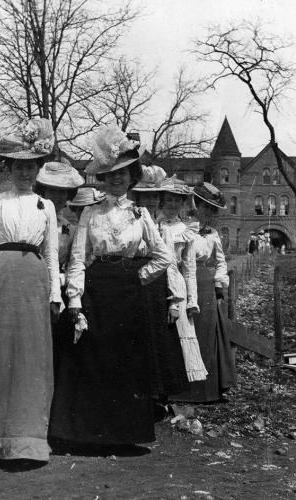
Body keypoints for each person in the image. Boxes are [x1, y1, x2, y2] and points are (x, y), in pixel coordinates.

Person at [50, 125, 174, 450]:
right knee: (94, 359)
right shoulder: (90, 212)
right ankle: (91, 436)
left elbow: (164, 256)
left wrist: (141, 276)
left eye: (123, 173)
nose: (116, 179)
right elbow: (77, 259)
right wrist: (74, 299)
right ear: (103, 178)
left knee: (127, 361)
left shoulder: (141, 213)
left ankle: (124, 436)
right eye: (110, 174)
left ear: (132, 176)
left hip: (129, 292)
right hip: (97, 290)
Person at [0, 117, 60, 462]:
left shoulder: (46, 205)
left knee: (31, 358)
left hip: (34, 282)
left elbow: (51, 254)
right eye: (18, 166)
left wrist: (55, 295)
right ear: (8, 168)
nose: (25, 173)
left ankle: (29, 443)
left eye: (31, 166)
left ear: (38, 168)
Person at [171, 182, 236, 403]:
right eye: (206, 207)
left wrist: (219, 285)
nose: (209, 213)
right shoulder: (182, 228)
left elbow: (220, 262)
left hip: (207, 288)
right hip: (186, 283)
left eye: (212, 209)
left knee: (208, 337)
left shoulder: (213, 234)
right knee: (187, 333)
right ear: (195, 205)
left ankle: (208, 391)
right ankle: (185, 391)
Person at [33, 160, 85, 384]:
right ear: (43, 191)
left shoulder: (70, 229)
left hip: (58, 292)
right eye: (52, 191)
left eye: (62, 192)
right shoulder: (32, 220)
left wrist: (62, 280)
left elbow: (74, 262)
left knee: (56, 346)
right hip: (32, 287)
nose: (57, 197)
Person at [154, 176, 207, 384]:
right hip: (155, 282)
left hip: (177, 284)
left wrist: (192, 300)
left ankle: (179, 386)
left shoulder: (186, 230)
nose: (173, 203)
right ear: (162, 199)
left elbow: (190, 268)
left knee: (179, 331)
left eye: (178, 199)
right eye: (169, 198)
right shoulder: (151, 224)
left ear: (183, 202)